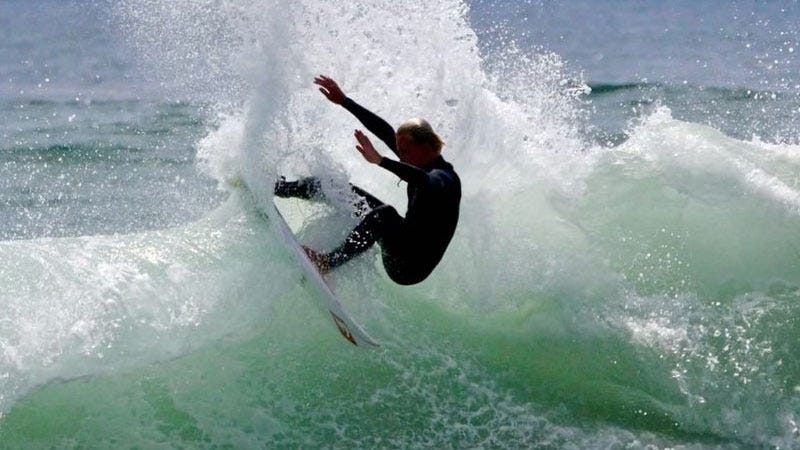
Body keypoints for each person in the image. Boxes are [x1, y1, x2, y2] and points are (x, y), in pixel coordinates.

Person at [274, 75, 461, 285]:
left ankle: (327, 263)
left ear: (426, 147)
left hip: (409, 266)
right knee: (334, 187)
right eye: (400, 152)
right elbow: (385, 131)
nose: (402, 157)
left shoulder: (446, 179)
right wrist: (344, 101)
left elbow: (426, 182)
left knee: (385, 215)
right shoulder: (416, 158)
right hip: (400, 239)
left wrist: (381, 161)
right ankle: (278, 188)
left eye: (406, 152)